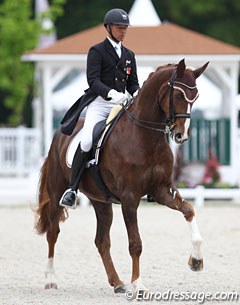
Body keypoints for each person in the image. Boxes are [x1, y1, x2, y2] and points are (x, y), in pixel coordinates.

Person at [59, 8, 139, 209]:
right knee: (86, 141)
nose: (123, 31)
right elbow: (93, 81)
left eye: (125, 28)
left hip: (122, 104)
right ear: (108, 27)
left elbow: (133, 84)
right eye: (119, 28)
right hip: (100, 104)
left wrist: (137, 96)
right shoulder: (97, 51)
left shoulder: (129, 55)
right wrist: (112, 94)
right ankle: (72, 189)